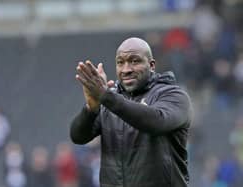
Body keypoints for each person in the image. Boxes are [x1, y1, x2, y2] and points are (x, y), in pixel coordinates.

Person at [70, 37, 193, 187]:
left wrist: (105, 96)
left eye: (134, 61)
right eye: (120, 63)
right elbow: (78, 136)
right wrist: (91, 108)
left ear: (151, 65)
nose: (126, 69)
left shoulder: (174, 96)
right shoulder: (110, 101)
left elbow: (156, 122)